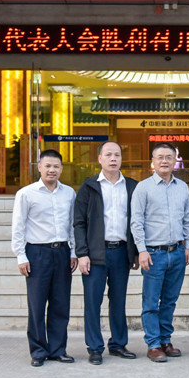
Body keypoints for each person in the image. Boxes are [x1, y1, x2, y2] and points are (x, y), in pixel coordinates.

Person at [73, 141, 138, 365]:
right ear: (100, 158)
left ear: (121, 158)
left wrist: (135, 251)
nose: (113, 159)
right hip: (95, 253)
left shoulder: (132, 186)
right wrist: (82, 253)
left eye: (117, 155)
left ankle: (118, 344)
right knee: (93, 302)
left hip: (121, 252)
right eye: (108, 155)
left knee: (118, 301)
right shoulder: (89, 187)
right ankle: (94, 347)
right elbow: (79, 222)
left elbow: (138, 221)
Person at [11, 149, 78, 367]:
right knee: (37, 305)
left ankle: (58, 349)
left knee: (60, 304)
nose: (52, 170)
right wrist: (21, 256)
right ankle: (38, 351)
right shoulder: (26, 194)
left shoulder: (69, 193)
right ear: (39, 167)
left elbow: (72, 225)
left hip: (62, 252)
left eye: (56, 166)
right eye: (47, 166)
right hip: (37, 253)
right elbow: (18, 227)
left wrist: (73, 252)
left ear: (61, 169)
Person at [130, 142, 189, 363]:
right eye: (160, 157)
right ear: (153, 161)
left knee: (169, 301)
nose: (164, 161)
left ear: (175, 160)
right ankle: (154, 344)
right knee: (151, 302)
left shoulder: (182, 187)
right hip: (153, 254)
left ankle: (166, 340)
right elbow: (136, 222)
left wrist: (187, 246)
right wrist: (141, 250)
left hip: (177, 252)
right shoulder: (143, 188)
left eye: (169, 157)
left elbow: (187, 219)